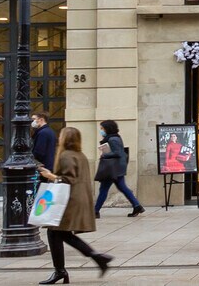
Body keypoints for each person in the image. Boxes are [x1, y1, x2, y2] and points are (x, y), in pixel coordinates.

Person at [34, 126, 112, 283]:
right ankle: (94, 259)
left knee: (56, 232)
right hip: (76, 199)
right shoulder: (80, 155)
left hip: (68, 201)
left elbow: (69, 179)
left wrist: (50, 175)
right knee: (59, 233)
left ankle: (64, 270)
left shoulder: (66, 156)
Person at [92, 120, 143, 217]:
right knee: (122, 187)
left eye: (102, 128)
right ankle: (137, 206)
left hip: (112, 169)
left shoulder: (112, 139)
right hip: (116, 168)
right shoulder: (114, 138)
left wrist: (104, 155)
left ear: (108, 128)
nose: (101, 130)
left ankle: (95, 211)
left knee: (103, 189)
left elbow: (118, 153)